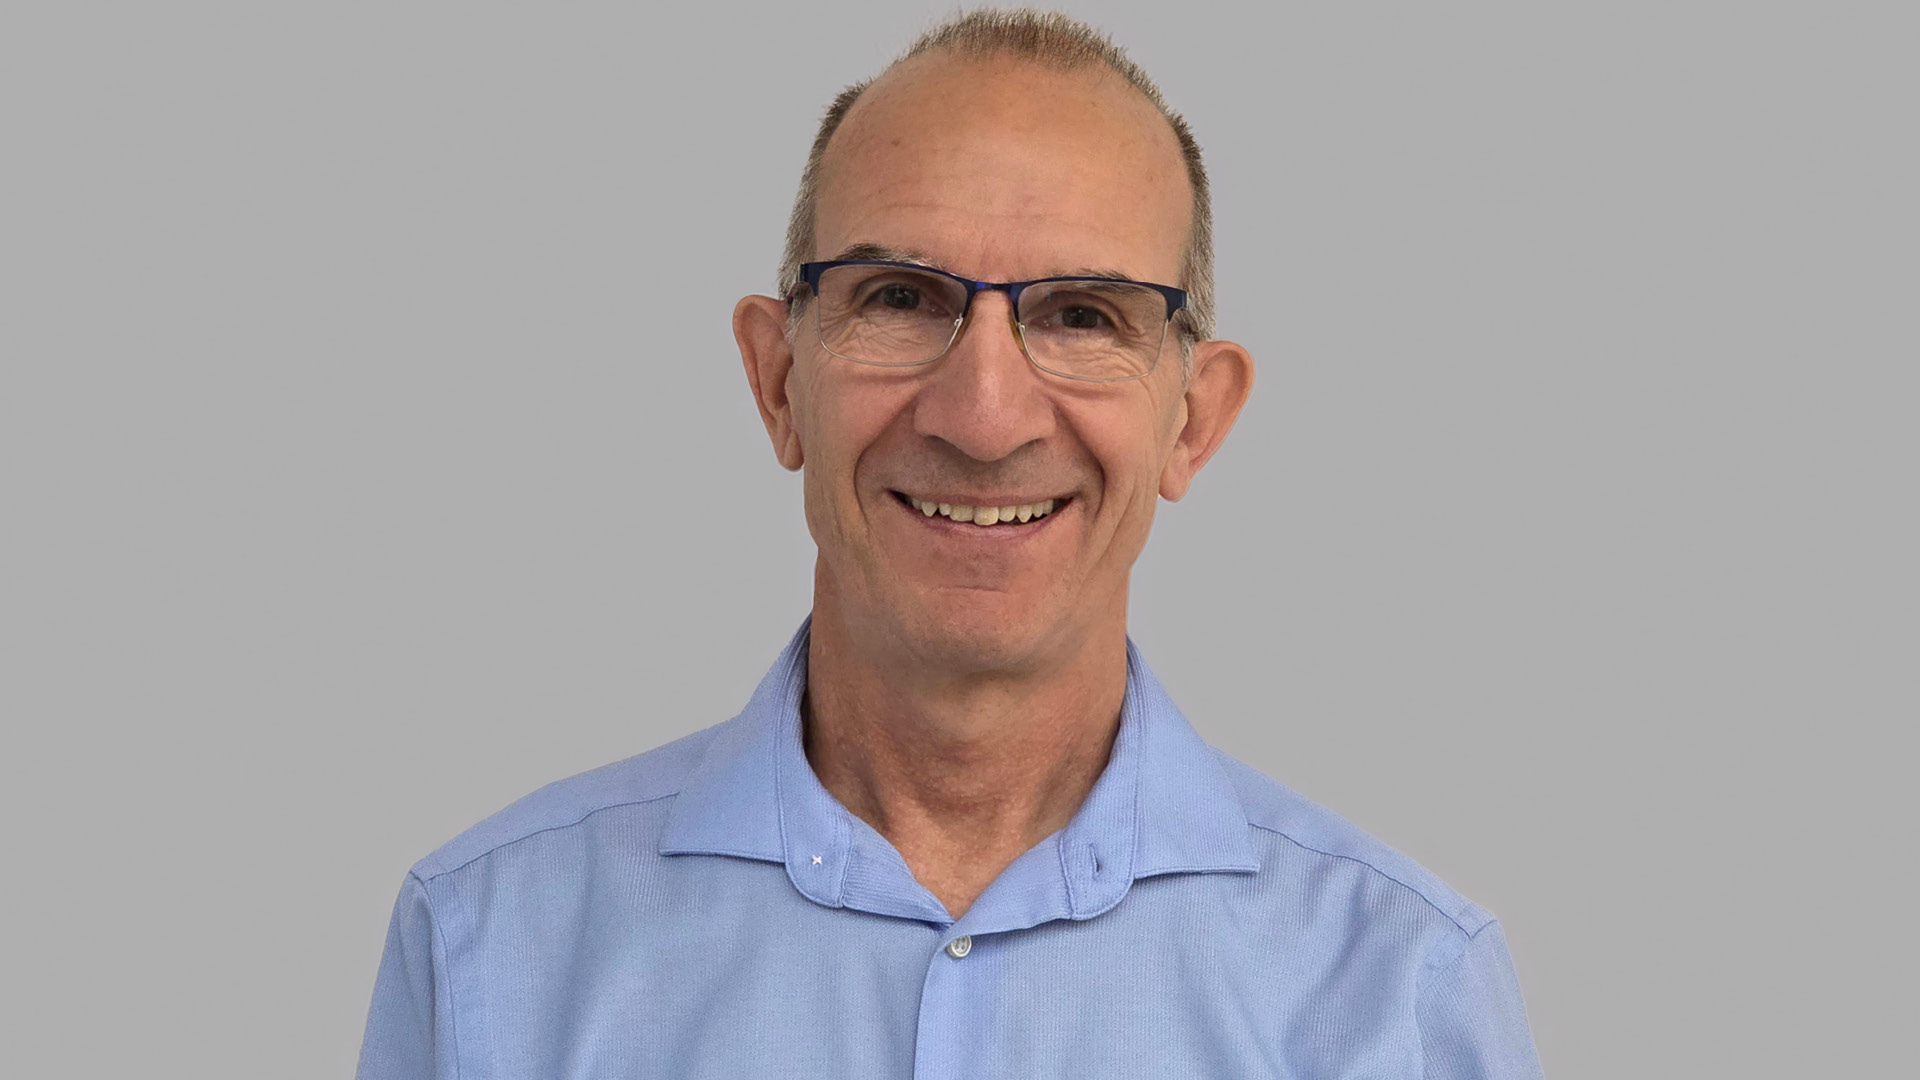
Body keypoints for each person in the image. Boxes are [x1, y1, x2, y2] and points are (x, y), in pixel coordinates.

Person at [355, 8, 1544, 1078]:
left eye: (1083, 316)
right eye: (899, 298)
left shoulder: (1404, 1001)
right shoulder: (486, 949)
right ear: (777, 382)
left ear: (1193, 421)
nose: (984, 418)